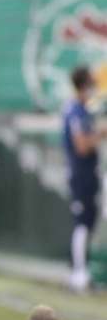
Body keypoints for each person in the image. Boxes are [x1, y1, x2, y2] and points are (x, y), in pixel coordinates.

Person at [63, 66, 106, 293]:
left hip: (88, 173)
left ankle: (80, 270)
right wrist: (100, 134)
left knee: (88, 222)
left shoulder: (83, 110)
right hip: (80, 174)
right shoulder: (75, 111)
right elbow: (81, 145)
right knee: (82, 223)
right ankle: (78, 272)